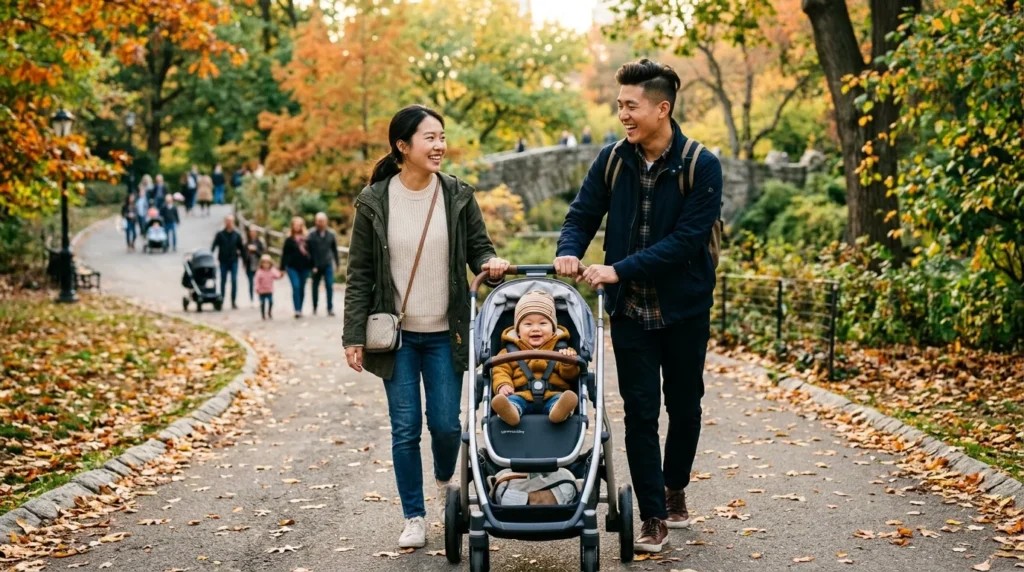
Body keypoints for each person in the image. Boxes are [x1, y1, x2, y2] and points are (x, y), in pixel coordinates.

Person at [554, 59, 723, 554]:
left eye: (631, 105)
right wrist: (570, 247)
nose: (622, 113)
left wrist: (619, 268)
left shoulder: (700, 164)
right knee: (641, 412)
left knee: (686, 405)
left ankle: (675, 487)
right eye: (620, 104)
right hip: (629, 311)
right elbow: (582, 213)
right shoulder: (612, 160)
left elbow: (688, 242)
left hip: (684, 309)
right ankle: (653, 515)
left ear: (661, 108)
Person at [342, 104, 509, 549]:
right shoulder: (375, 202)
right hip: (395, 337)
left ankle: (442, 477)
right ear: (403, 146)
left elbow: (480, 248)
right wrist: (353, 335)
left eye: (441, 137)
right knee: (404, 427)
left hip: (445, 333)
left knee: (447, 425)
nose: (439, 146)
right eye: (429, 138)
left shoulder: (457, 194)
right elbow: (359, 273)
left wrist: (491, 263)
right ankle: (413, 515)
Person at [489, 290, 580, 427]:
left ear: (554, 329)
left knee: (559, 399)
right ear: (518, 331)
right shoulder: (508, 352)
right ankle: (509, 411)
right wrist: (503, 385)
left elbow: (570, 376)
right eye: (528, 324)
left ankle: (560, 411)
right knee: (512, 401)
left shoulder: (562, 350)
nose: (535, 329)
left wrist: (567, 363)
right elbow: (500, 370)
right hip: (521, 394)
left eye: (543, 323)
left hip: (553, 394)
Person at [307, 212, 340, 317]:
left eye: (322, 221)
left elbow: (334, 250)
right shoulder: (311, 234)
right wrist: (312, 265)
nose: (320, 223)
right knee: (314, 286)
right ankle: (315, 307)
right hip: (315, 265)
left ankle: (330, 308)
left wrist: (337, 264)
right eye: (318, 221)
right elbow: (309, 252)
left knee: (329, 285)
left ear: (326, 221)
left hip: (327, 264)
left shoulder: (331, 234)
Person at [211, 215, 246, 309]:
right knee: (223, 281)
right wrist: (210, 257)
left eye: (230, 221)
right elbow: (214, 246)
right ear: (225, 222)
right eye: (227, 221)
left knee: (234, 280)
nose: (229, 223)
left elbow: (241, 248)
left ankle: (233, 301)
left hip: (233, 260)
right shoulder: (220, 234)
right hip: (223, 260)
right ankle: (221, 300)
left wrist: (244, 261)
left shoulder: (236, 235)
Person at [280, 216, 313, 318]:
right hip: (292, 267)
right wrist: (282, 268)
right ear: (292, 226)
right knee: (296, 286)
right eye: (295, 225)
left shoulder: (307, 239)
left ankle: (300, 308)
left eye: (299, 225)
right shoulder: (289, 240)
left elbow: (312, 253)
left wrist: (313, 266)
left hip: (304, 267)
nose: (297, 227)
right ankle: (297, 310)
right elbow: (284, 254)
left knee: (302, 288)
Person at [254, 254, 284, 320]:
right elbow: (256, 280)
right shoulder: (259, 272)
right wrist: (256, 288)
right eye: (264, 263)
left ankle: (269, 312)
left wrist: (281, 275)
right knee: (262, 302)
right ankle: (263, 314)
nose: (266, 265)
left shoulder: (272, 270)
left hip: (269, 290)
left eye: (267, 263)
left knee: (271, 302)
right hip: (261, 291)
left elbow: (277, 276)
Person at [243, 227, 265, 306]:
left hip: (258, 265)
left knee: (259, 283)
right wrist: (244, 263)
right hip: (249, 265)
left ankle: (260, 298)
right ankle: (252, 299)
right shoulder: (246, 243)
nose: (252, 233)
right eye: (251, 232)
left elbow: (262, 254)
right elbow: (243, 255)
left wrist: (255, 250)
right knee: (251, 282)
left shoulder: (259, 242)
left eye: (254, 231)